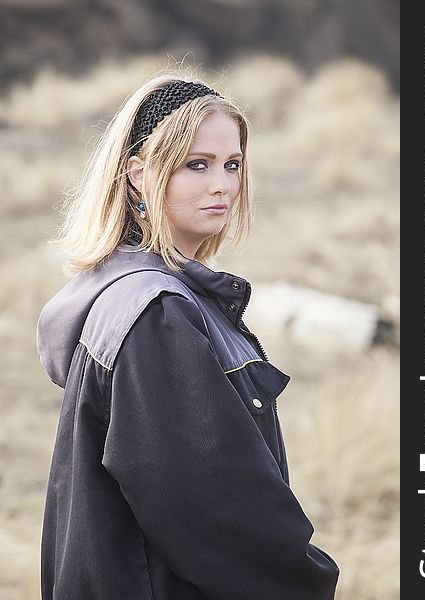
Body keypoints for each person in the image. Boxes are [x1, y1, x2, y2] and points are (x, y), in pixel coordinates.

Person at [37, 70, 339, 600]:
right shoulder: (155, 313)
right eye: (196, 165)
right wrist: (306, 577)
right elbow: (208, 505)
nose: (222, 184)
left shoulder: (141, 292)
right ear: (139, 174)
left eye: (232, 164)